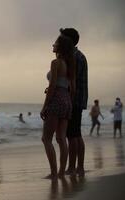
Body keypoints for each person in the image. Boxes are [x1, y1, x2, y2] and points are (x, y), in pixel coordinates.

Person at [40, 34, 75, 179]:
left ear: (60, 47)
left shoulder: (56, 63)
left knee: (46, 138)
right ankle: (61, 172)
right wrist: (69, 103)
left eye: (55, 43)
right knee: (61, 138)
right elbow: (72, 88)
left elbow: (53, 84)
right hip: (66, 100)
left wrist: (44, 106)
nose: (53, 45)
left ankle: (54, 173)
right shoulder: (70, 64)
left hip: (56, 99)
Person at [61, 28, 88, 177]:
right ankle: (80, 167)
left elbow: (72, 83)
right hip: (79, 99)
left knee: (72, 135)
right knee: (76, 134)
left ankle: (72, 167)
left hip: (74, 99)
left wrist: (68, 102)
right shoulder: (79, 55)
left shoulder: (75, 57)